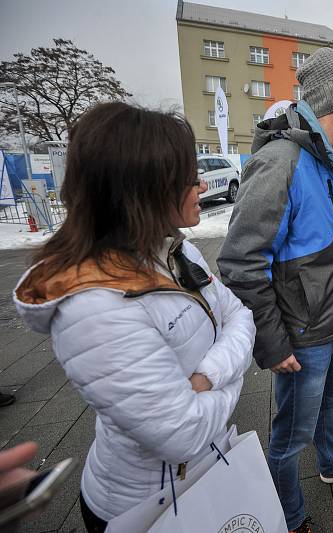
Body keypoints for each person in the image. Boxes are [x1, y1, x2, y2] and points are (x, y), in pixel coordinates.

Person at [12, 102, 255, 531]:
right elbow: (184, 435)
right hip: (143, 509)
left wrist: (207, 377)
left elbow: (240, 316)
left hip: (199, 481)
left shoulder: (174, 250)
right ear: (143, 191)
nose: (201, 184)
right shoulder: (93, 308)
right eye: (187, 177)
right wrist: (233, 367)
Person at [216, 47, 333, 533]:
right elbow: (241, 261)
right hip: (304, 335)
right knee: (289, 437)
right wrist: (272, 340)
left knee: (331, 408)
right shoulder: (281, 161)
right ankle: (287, 517)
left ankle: (330, 463)